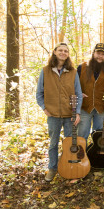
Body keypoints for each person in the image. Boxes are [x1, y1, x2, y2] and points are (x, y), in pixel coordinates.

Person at [36, 43, 83, 181]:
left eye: (66, 51)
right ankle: (53, 168)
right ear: (55, 52)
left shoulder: (73, 72)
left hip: (70, 115)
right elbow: (39, 93)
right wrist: (44, 108)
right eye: (60, 50)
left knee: (69, 144)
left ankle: (68, 167)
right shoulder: (45, 71)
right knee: (53, 144)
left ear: (68, 54)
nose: (63, 52)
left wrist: (78, 112)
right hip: (53, 115)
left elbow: (78, 93)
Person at [77, 43, 104, 141]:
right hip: (84, 107)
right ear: (93, 53)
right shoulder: (82, 67)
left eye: (103, 54)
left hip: (102, 109)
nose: (100, 56)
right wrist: (78, 94)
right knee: (82, 136)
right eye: (98, 53)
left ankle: (95, 156)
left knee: (99, 137)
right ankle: (82, 156)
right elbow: (74, 85)